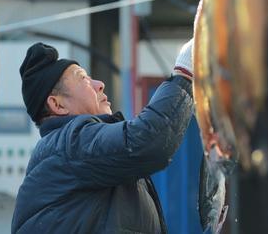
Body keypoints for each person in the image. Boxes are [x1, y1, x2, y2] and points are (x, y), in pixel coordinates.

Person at [12, 39, 195, 234]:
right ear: (58, 105)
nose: (99, 84)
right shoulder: (71, 143)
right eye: (83, 78)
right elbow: (147, 140)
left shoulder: (64, 152)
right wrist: (185, 74)